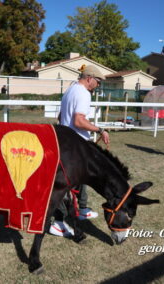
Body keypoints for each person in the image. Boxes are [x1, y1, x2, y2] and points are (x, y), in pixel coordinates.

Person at [49, 65, 110, 237]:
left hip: (66, 141)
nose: (98, 85)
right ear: (89, 78)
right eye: (97, 82)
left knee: (81, 178)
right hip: (75, 145)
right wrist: (99, 130)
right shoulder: (83, 93)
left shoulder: (70, 90)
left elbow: (61, 117)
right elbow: (78, 121)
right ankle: (58, 221)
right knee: (66, 185)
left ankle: (81, 209)